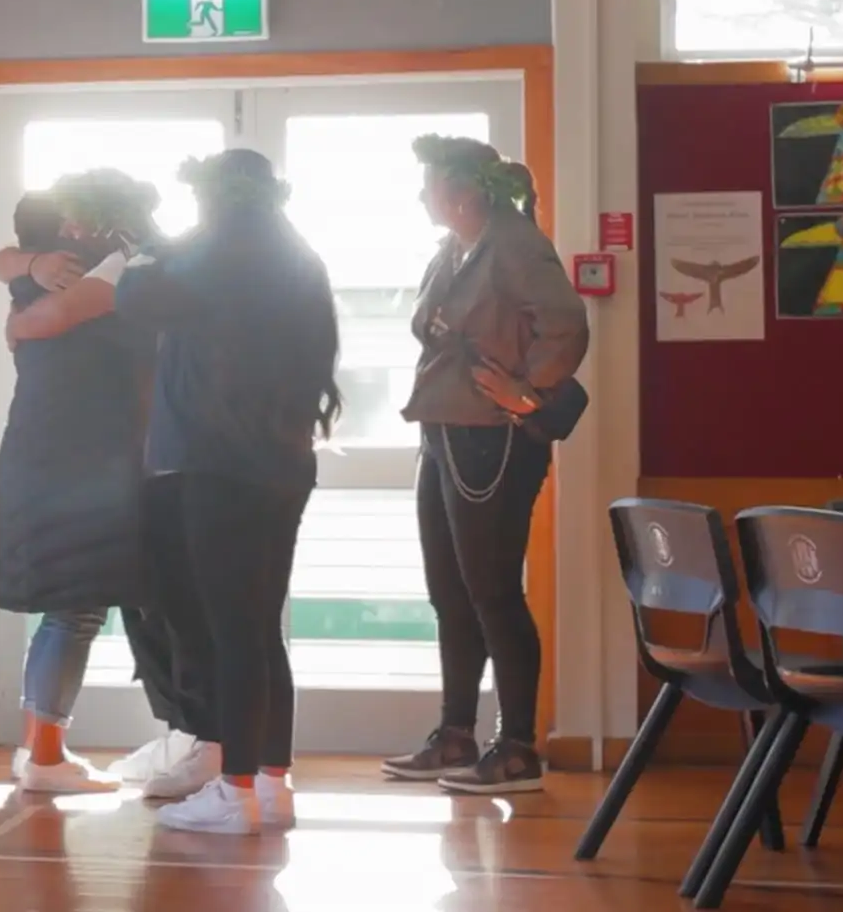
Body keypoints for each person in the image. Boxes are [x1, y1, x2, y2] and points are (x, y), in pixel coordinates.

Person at [112, 149, 342, 835]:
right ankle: (273, 783)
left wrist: (153, 245)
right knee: (260, 627)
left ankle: (234, 790)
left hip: (215, 468)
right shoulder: (300, 262)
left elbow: (133, 298)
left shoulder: (208, 258)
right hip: (283, 463)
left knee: (229, 630)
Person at [381, 138, 587, 795]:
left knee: (493, 591)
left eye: (429, 185)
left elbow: (567, 324)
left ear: (464, 193)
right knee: (450, 592)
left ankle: (519, 747)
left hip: (491, 438)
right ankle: (457, 734)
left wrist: (527, 391)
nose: (421, 196)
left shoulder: (515, 242)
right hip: (444, 432)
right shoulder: (454, 248)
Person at [0, 172, 160, 794]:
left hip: (43, 452)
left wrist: (24, 261)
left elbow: (6, 272)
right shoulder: (112, 272)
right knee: (76, 611)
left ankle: (40, 749)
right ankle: (44, 756)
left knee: (69, 610)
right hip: (86, 460)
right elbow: (47, 320)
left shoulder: (26, 274)